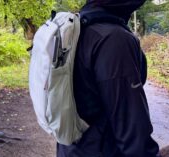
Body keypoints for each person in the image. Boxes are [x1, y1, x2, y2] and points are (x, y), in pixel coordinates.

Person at [57, 0, 160, 157]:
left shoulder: (79, 27)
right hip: (101, 150)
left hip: (72, 147)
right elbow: (132, 129)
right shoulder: (114, 39)